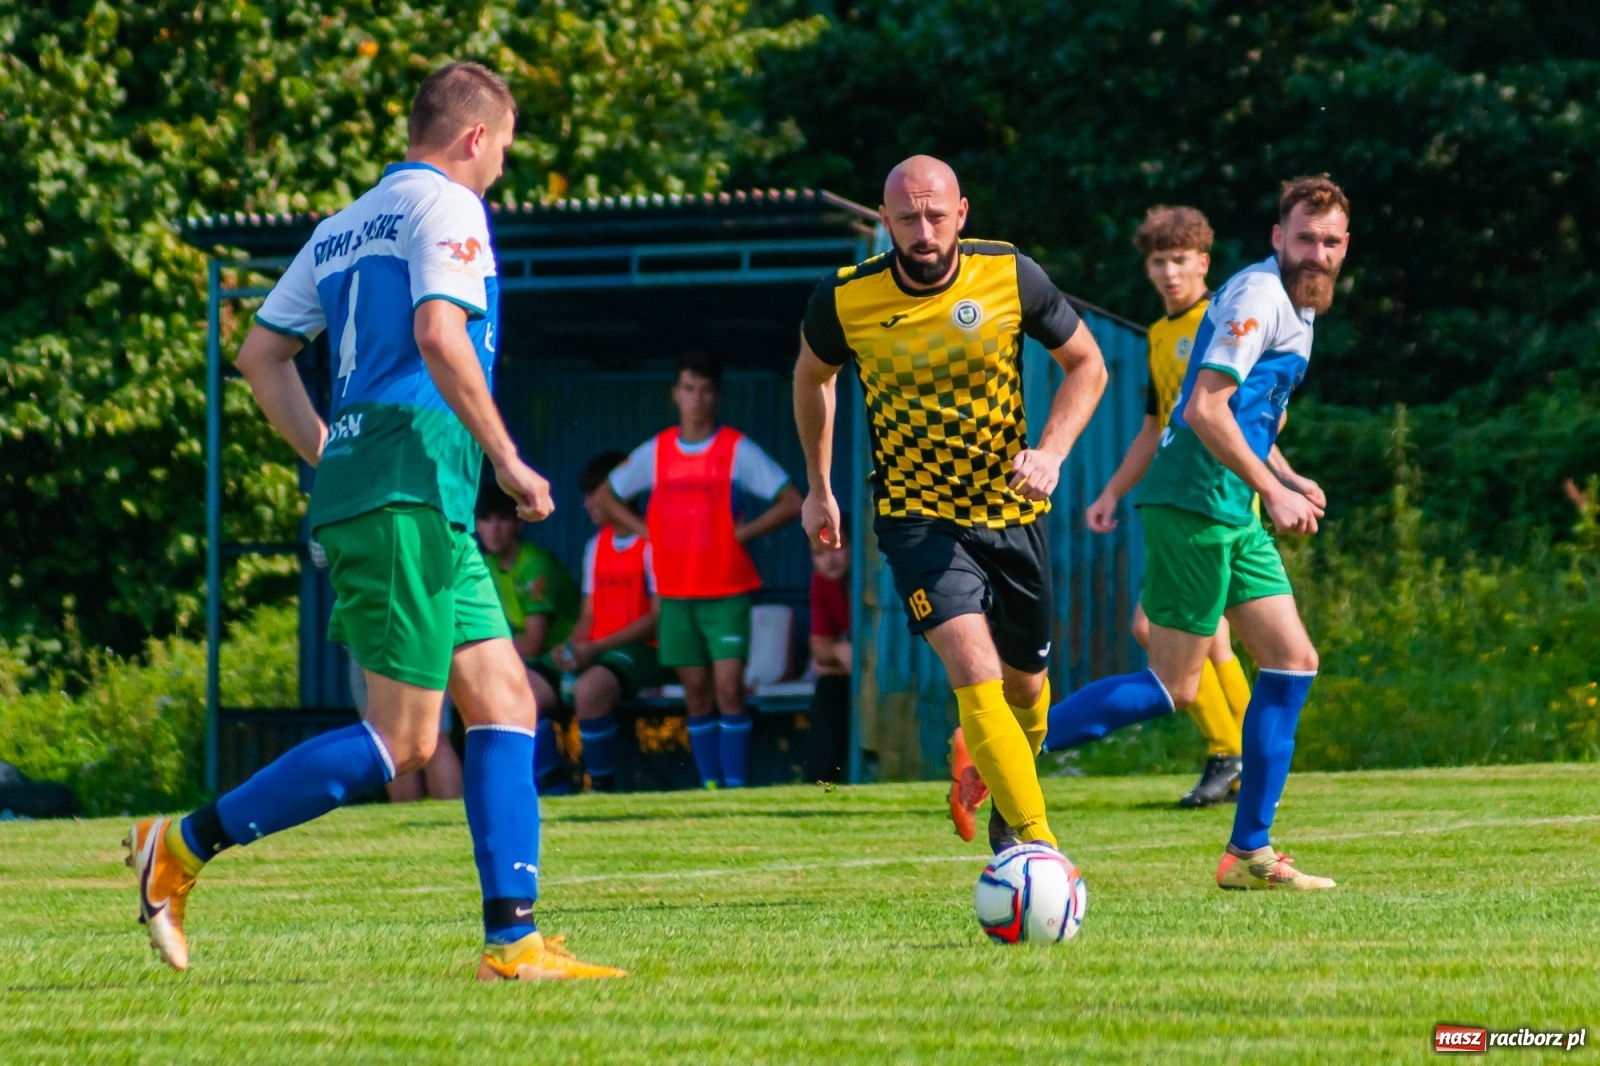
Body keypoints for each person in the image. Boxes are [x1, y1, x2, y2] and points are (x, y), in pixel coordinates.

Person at [123, 62, 624, 979]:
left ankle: (513, 943)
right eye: (504, 151)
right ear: (475, 137)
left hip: (404, 491)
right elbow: (439, 334)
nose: (501, 173)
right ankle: (182, 846)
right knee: (404, 741)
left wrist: (333, 453)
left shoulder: (345, 223)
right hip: (409, 491)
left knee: (508, 702)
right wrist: (509, 460)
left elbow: (260, 355)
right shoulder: (450, 207)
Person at [1040, 176, 1350, 891]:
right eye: (1305, 238)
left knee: (1292, 659)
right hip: (1195, 500)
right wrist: (1272, 490)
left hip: (1232, 504)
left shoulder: (1302, 308)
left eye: (1330, 242)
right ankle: (1002, 744)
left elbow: (1248, 415)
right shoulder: (1256, 296)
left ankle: (1249, 854)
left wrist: (1287, 474)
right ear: (1279, 238)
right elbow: (1205, 410)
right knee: (1174, 683)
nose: (1318, 253)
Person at [793, 155, 1108, 854]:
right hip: (917, 519)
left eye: (937, 215)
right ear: (885, 222)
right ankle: (1034, 845)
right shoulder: (845, 297)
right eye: (908, 218)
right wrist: (819, 487)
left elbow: (1088, 364)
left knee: (1028, 693)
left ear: (962, 213)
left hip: (1011, 513)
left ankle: (992, 771)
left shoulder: (1010, 274)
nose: (924, 230)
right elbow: (813, 376)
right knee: (975, 667)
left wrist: (1052, 452)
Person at [1083, 205, 1255, 807]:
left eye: (1180, 259)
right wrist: (1110, 492)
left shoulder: (1225, 317)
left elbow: (1257, 407)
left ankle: (1227, 752)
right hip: (1181, 497)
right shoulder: (1159, 335)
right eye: (1158, 261)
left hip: (1217, 497)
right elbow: (1156, 427)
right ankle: (1250, 759)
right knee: (1217, 643)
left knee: (1150, 626)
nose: (1168, 271)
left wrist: (1274, 476)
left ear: (1203, 263)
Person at [606, 355, 802, 789]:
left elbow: (792, 500)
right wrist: (648, 531)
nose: (697, 399)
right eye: (689, 388)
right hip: (675, 593)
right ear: (676, 394)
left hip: (727, 589)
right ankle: (708, 788)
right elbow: (606, 495)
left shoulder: (735, 448)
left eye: (706, 389)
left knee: (729, 689)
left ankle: (735, 787)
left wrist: (744, 532)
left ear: (718, 396)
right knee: (695, 692)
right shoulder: (656, 451)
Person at [550, 451, 672, 792]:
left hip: (645, 651)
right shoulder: (595, 545)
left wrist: (595, 648)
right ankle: (552, 785)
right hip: (599, 650)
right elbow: (588, 616)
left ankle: (601, 789)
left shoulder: (650, 543)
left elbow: (657, 618)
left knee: (589, 691)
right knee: (523, 686)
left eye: (594, 494)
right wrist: (571, 646)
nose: (588, 503)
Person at [475, 483, 579, 792]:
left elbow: (533, 644)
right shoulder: (485, 565)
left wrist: (483, 657)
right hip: (525, 664)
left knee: (517, 695)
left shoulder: (534, 563)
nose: (493, 529)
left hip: (567, 660)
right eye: (485, 519)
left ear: (519, 522)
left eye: (503, 519)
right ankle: (509, 784)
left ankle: (553, 783)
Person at [348, 658, 462, 802]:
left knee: (396, 743)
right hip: (374, 650)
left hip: (384, 648)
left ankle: (437, 809)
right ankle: (417, 812)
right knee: (392, 744)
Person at [807, 513, 852, 783]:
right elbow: (820, 649)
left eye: (837, 547)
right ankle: (820, 782)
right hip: (848, 676)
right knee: (828, 688)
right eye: (818, 553)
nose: (829, 559)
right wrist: (839, 651)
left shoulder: (872, 577)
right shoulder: (822, 583)